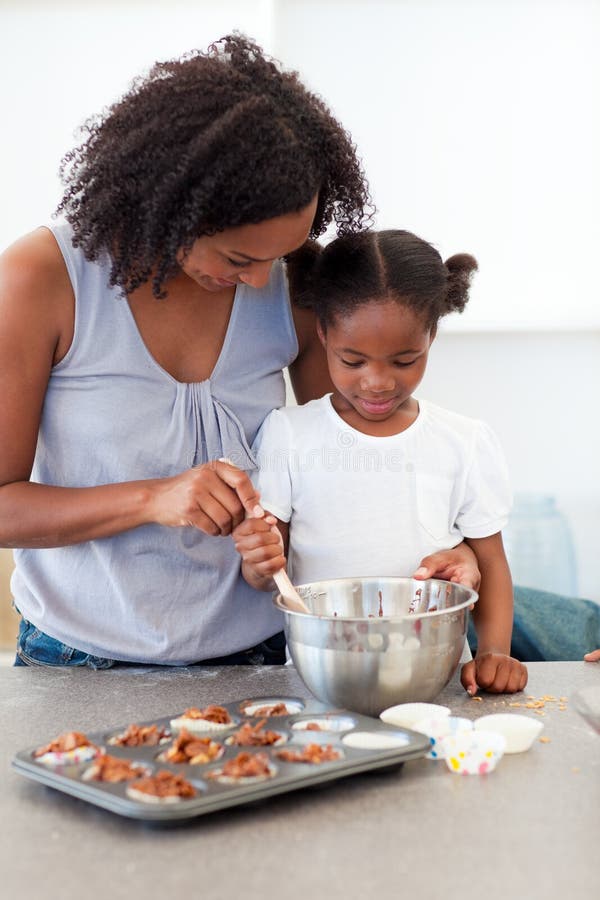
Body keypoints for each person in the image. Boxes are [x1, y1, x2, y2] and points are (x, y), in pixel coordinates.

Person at [0, 34, 476, 669]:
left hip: (262, 653)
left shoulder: (296, 284)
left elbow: (353, 465)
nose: (261, 281)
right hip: (77, 657)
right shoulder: (40, 281)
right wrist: (154, 497)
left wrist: (458, 552)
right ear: (170, 208)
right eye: (238, 258)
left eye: (278, 255)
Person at [233, 230, 528, 694]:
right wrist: (256, 560)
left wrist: (495, 653)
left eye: (404, 360)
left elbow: (490, 562)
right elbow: (267, 573)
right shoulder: (290, 433)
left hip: (439, 675)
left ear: (431, 335)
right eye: (353, 361)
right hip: (321, 677)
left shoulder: (463, 441)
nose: (377, 383)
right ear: (323, 333)